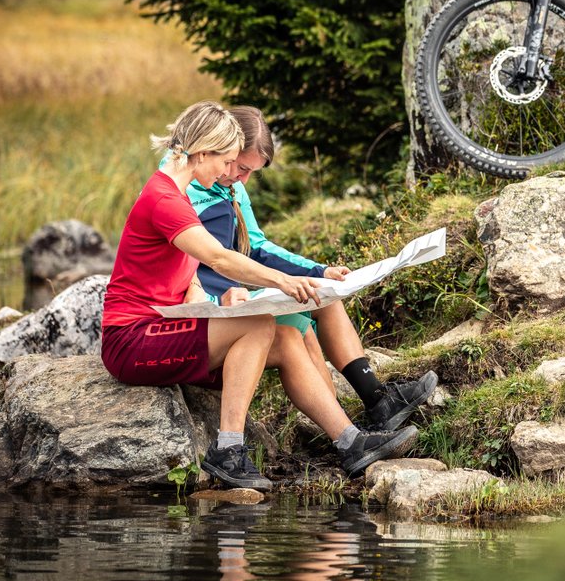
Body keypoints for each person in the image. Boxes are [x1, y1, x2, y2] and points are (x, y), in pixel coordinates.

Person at [100, 101, 416, 491]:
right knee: (257, 325)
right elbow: (218, 257)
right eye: (227, 161)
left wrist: (210, 304)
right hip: (132, 339)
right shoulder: (164, 199)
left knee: (283, 337)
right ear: (203, 152)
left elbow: (186, 273)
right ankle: (228, 449)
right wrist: (282, 281)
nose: (229, 173)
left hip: (162, 326)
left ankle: (350, 442)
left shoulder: (176, 196)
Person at [185, 105, 436, 432]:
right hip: (219, 301)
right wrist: (217, 303)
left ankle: (377, 401)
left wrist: (319, 271)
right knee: (297, 323)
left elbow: (258, 247)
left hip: (243, 287)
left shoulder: (232, 186)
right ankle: (341, 433)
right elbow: (186, 267)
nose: (243, 179)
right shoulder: (184, 188)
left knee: (325, 297)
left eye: (251, 173)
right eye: (240, 167)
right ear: (222, 149)